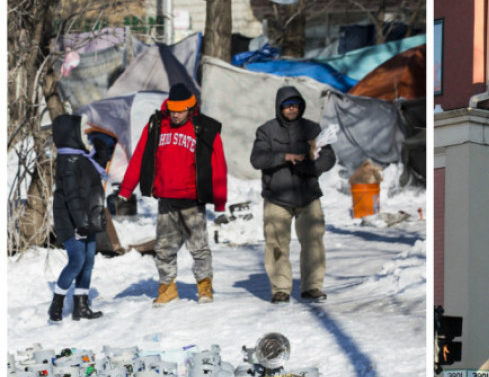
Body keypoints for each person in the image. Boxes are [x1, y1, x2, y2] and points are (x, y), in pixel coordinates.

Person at [118, 83, 227, 306]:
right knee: (164, 247)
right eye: (172, 110)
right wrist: (126, 188)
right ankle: (167, 288)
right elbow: (140, 156)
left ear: (190, 108)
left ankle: (204, 286)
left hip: (191, 199)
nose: (175, 115)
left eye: (180, 111)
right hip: (166, 198)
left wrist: (220, 200)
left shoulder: (204, 129)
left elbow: (218, 164)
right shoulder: (158, 125)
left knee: (198, 246)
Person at [250, 86, 336, 303]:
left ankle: (312, 287)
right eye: (287, 105)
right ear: (280, 107)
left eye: (295, 105)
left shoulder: (312, 129)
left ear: (300, 107)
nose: (291, 109)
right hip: (277, 197)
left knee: (314, 241)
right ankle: (280, 289)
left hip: (308, 195)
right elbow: (257, 159)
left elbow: (329, 158)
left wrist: (314, 165)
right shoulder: (266, 131)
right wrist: (284, 156)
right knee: (276, 245)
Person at [49, 114, 114, 323]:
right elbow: (72, 197)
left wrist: (102, 149)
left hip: (87, 217)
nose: (86, 134)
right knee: (77, 260)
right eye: (82, 131)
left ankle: (81, 306)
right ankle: (57, 303)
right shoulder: (68, 161)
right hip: (70, 219)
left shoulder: (83, 157)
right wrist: (81, 224)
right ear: (72, 136)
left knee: (88, 262)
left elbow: (95, 172)